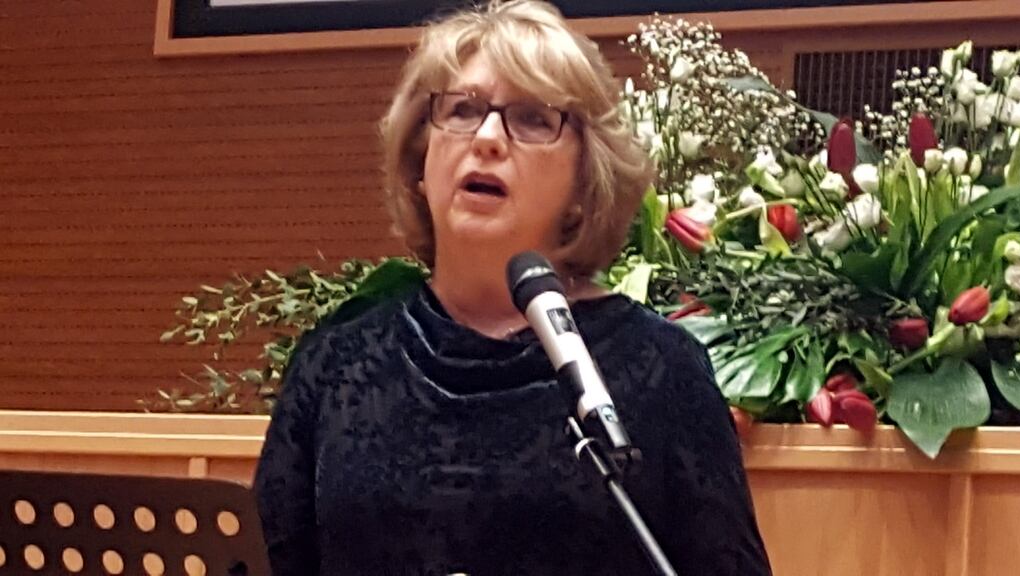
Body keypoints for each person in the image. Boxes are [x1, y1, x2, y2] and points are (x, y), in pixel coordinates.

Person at [254, 1, 772, 574]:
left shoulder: (659, 369)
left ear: (584, 179)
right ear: (420, 160)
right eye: (462, 110)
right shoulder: (334, 368)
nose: (489, 138)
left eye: (531, 118)